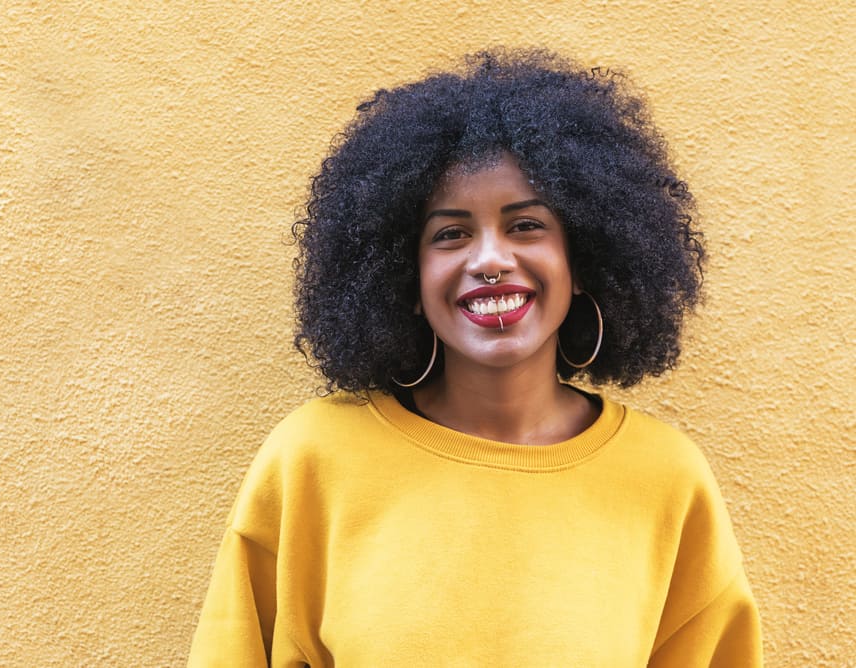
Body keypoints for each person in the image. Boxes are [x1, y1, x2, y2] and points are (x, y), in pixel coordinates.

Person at [188, 48, 762, 667]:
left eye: (525, 226)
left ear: (584, 259)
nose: (490, 260)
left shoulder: (667, 479)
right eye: (451, 233)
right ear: (404, 275)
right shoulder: (311, 462)